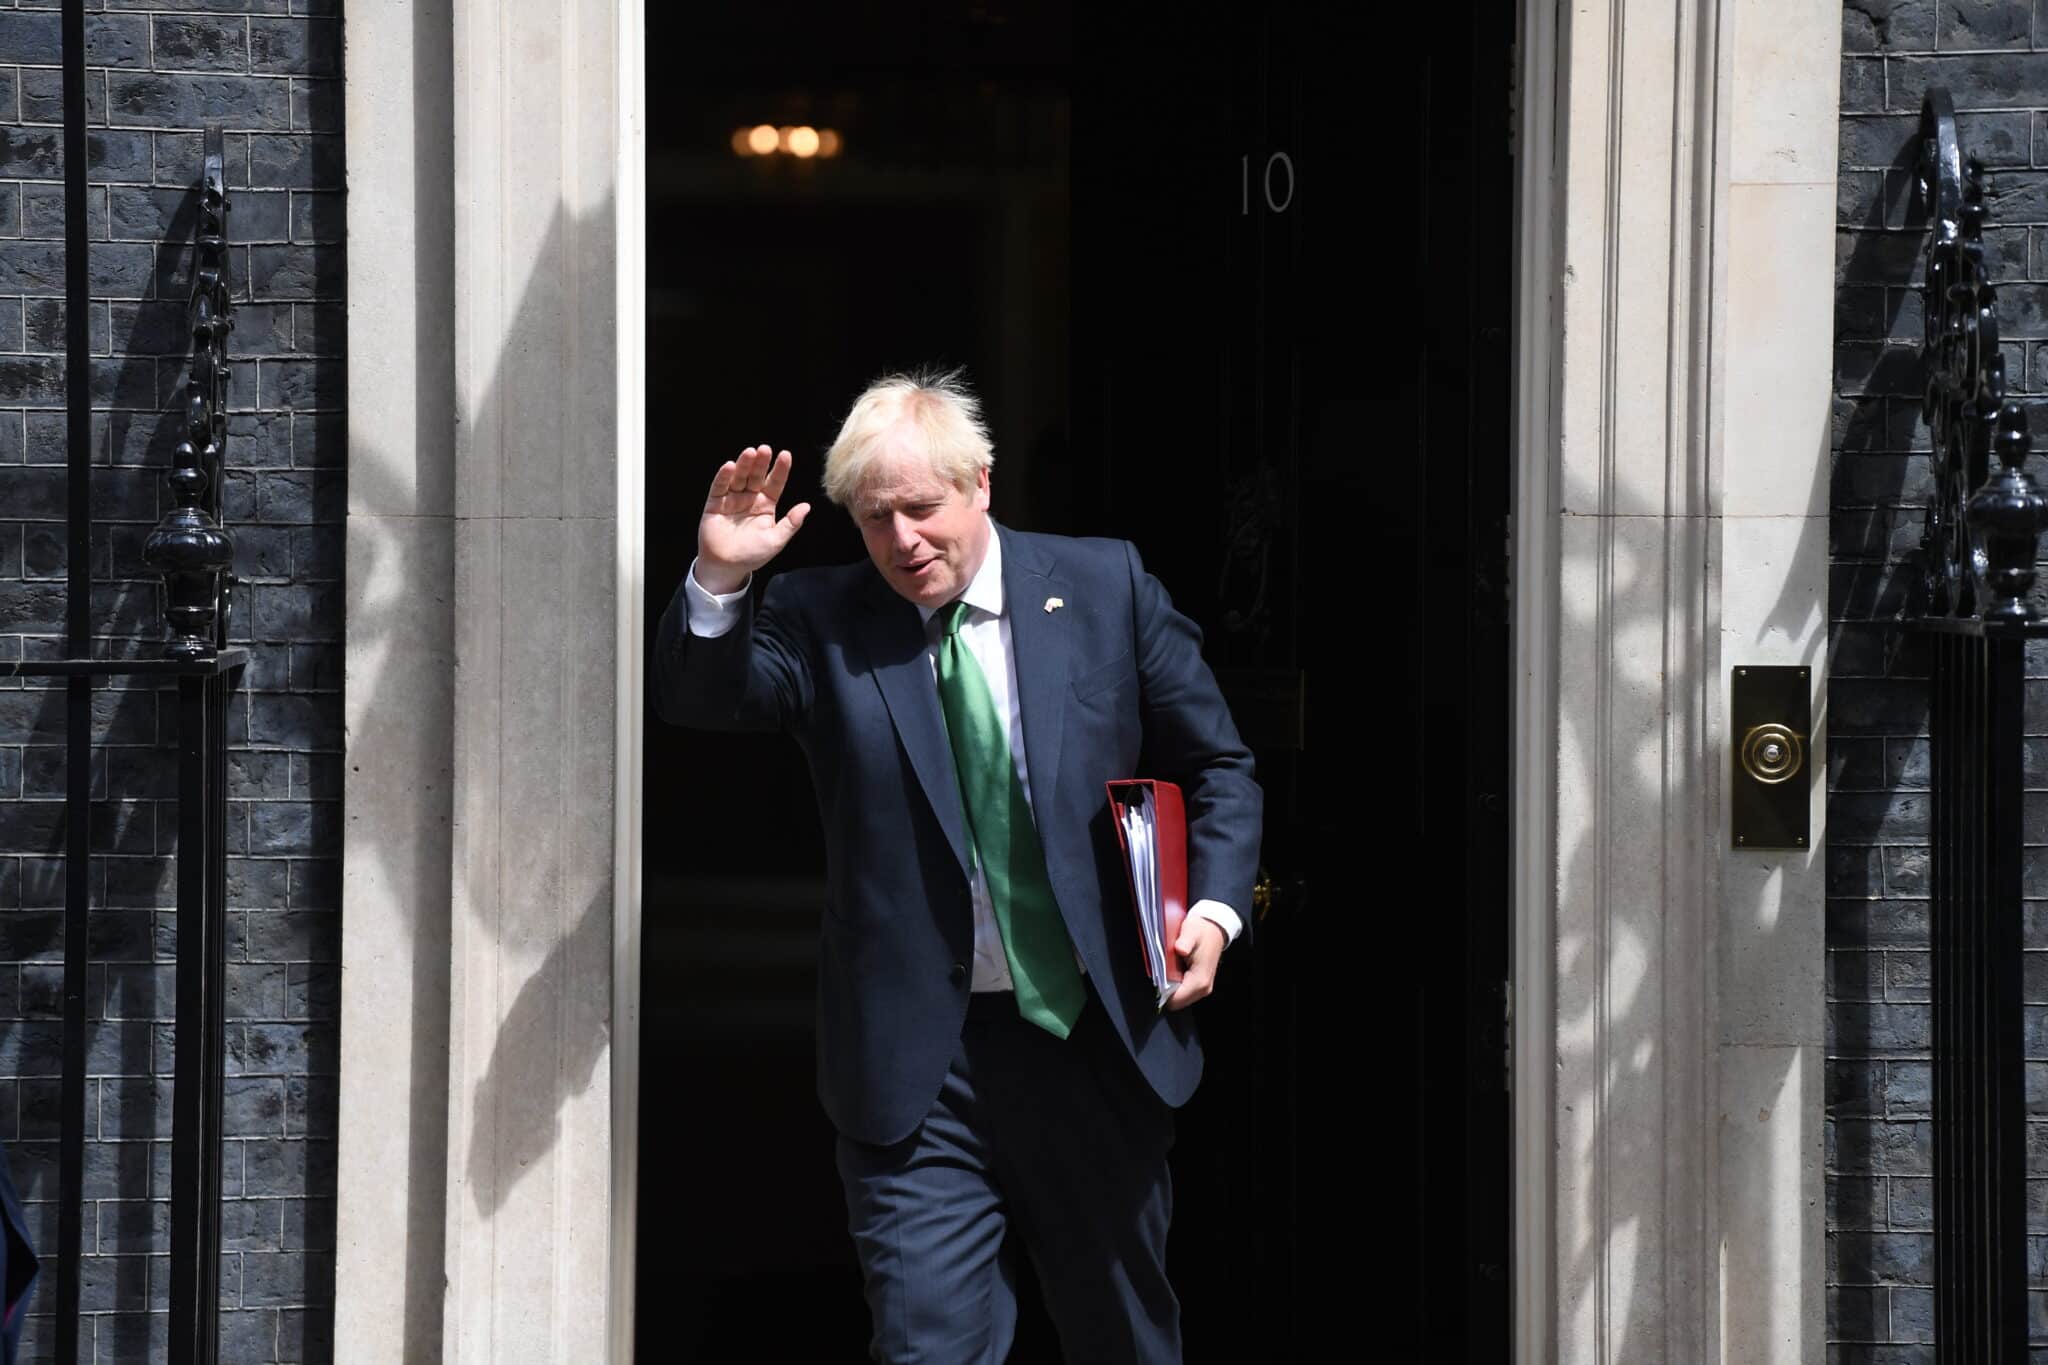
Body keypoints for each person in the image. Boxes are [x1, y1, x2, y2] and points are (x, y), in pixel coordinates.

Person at [653, 369, 1262, 1363]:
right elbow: (705, 700)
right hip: (916, 1066)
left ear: (979, 483)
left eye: (921, 508)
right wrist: (719, 580)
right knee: (927, 1345)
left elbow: (1217, 768)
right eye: (875, 518)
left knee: (1121, 1337)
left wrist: (1216, 913)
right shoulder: (824, 616)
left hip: (1090, 1038)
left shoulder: (1103, 587)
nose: (903, 541)